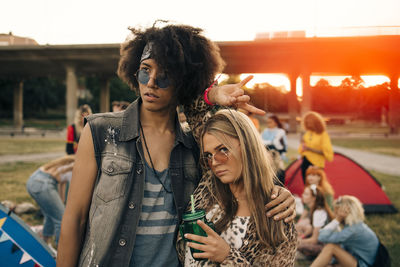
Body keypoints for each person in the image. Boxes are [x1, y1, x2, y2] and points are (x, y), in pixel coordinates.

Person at [57, 22, 296, 267]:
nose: (151, 82)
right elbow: (74, 219)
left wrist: (277, 193)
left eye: (164, 75)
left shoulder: (197, 147)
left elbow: (240, 173)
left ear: (184, 81)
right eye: (144, 70)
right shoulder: (100, 131)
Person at [176, 109, 297, 266]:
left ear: (247, 146)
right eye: (208, 155)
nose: (214, 162)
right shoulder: (209, 189)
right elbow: (194, 108)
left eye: (223, 150)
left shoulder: (278, 218)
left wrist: (227, 256)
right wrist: (214, 95)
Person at [311, 195, 381, 267]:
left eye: (336, 212)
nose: (334, 215)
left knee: (331, 247)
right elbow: (343, 248)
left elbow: (322, 237)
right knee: (332, 249)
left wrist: (337, 219)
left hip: (363, 264)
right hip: (357, 260)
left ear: (345, 214)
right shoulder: (355, 226)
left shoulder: (353, 230)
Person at [26, 155, 75, 247]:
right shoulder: (76, 168)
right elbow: (75, 191)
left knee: (50, 214)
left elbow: (62, 182)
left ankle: (45, 243)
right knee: (61, 219)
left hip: (33, 180)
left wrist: (62, 201)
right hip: (44, 184)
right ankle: (60, 249)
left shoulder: (70, 161)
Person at [297, 184, 334, 258]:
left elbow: (314, 240)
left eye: (306, 194)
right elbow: (311, 229)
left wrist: (298, 240)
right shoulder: (315, 209)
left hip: (325, 246)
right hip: (322, 242)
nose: (302, 195)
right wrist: (302, 236)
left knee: (294, 244)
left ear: (314, 198)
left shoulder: (318, 212)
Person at [298, 111, 334, 183]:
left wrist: (310, 149)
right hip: (305, 162)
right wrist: (302, 144)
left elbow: (326, 152)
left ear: (316, 123)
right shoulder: (307, 133)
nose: (308, 124)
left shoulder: (323, 135)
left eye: (310, 122)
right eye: (307, 122)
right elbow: (301, 149)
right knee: (306, 185)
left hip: (317, 164)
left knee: (317, 187)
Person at [261, 113, 288, 184]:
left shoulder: (280, 131)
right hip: (267, 156)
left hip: (277, 155)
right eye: (267, 122)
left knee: (279, 172)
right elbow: (260, 142)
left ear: (276, 123)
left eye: (270, 122)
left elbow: (284, 145)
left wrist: (282, 155)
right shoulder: (265, 131)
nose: (268, 124)